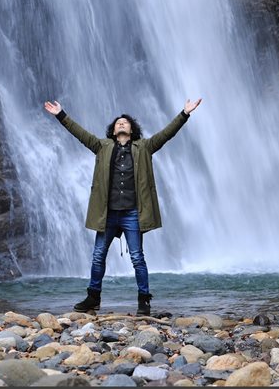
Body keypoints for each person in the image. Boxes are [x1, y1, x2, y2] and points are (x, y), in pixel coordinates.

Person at [43, 98, 202, 316]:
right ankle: (93, 298)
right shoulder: (102, 146)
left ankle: (144, 300)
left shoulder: (144, 147)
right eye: (118, 122)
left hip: (132, 213)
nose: (121, 123)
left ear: (132, 129)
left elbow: (167, 134)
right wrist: (61, 114)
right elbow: (79, 133)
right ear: (113, 129)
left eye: (125, 122)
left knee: (137, 257)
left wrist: (184, 113)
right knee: (98, 255)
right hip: (107, 213)